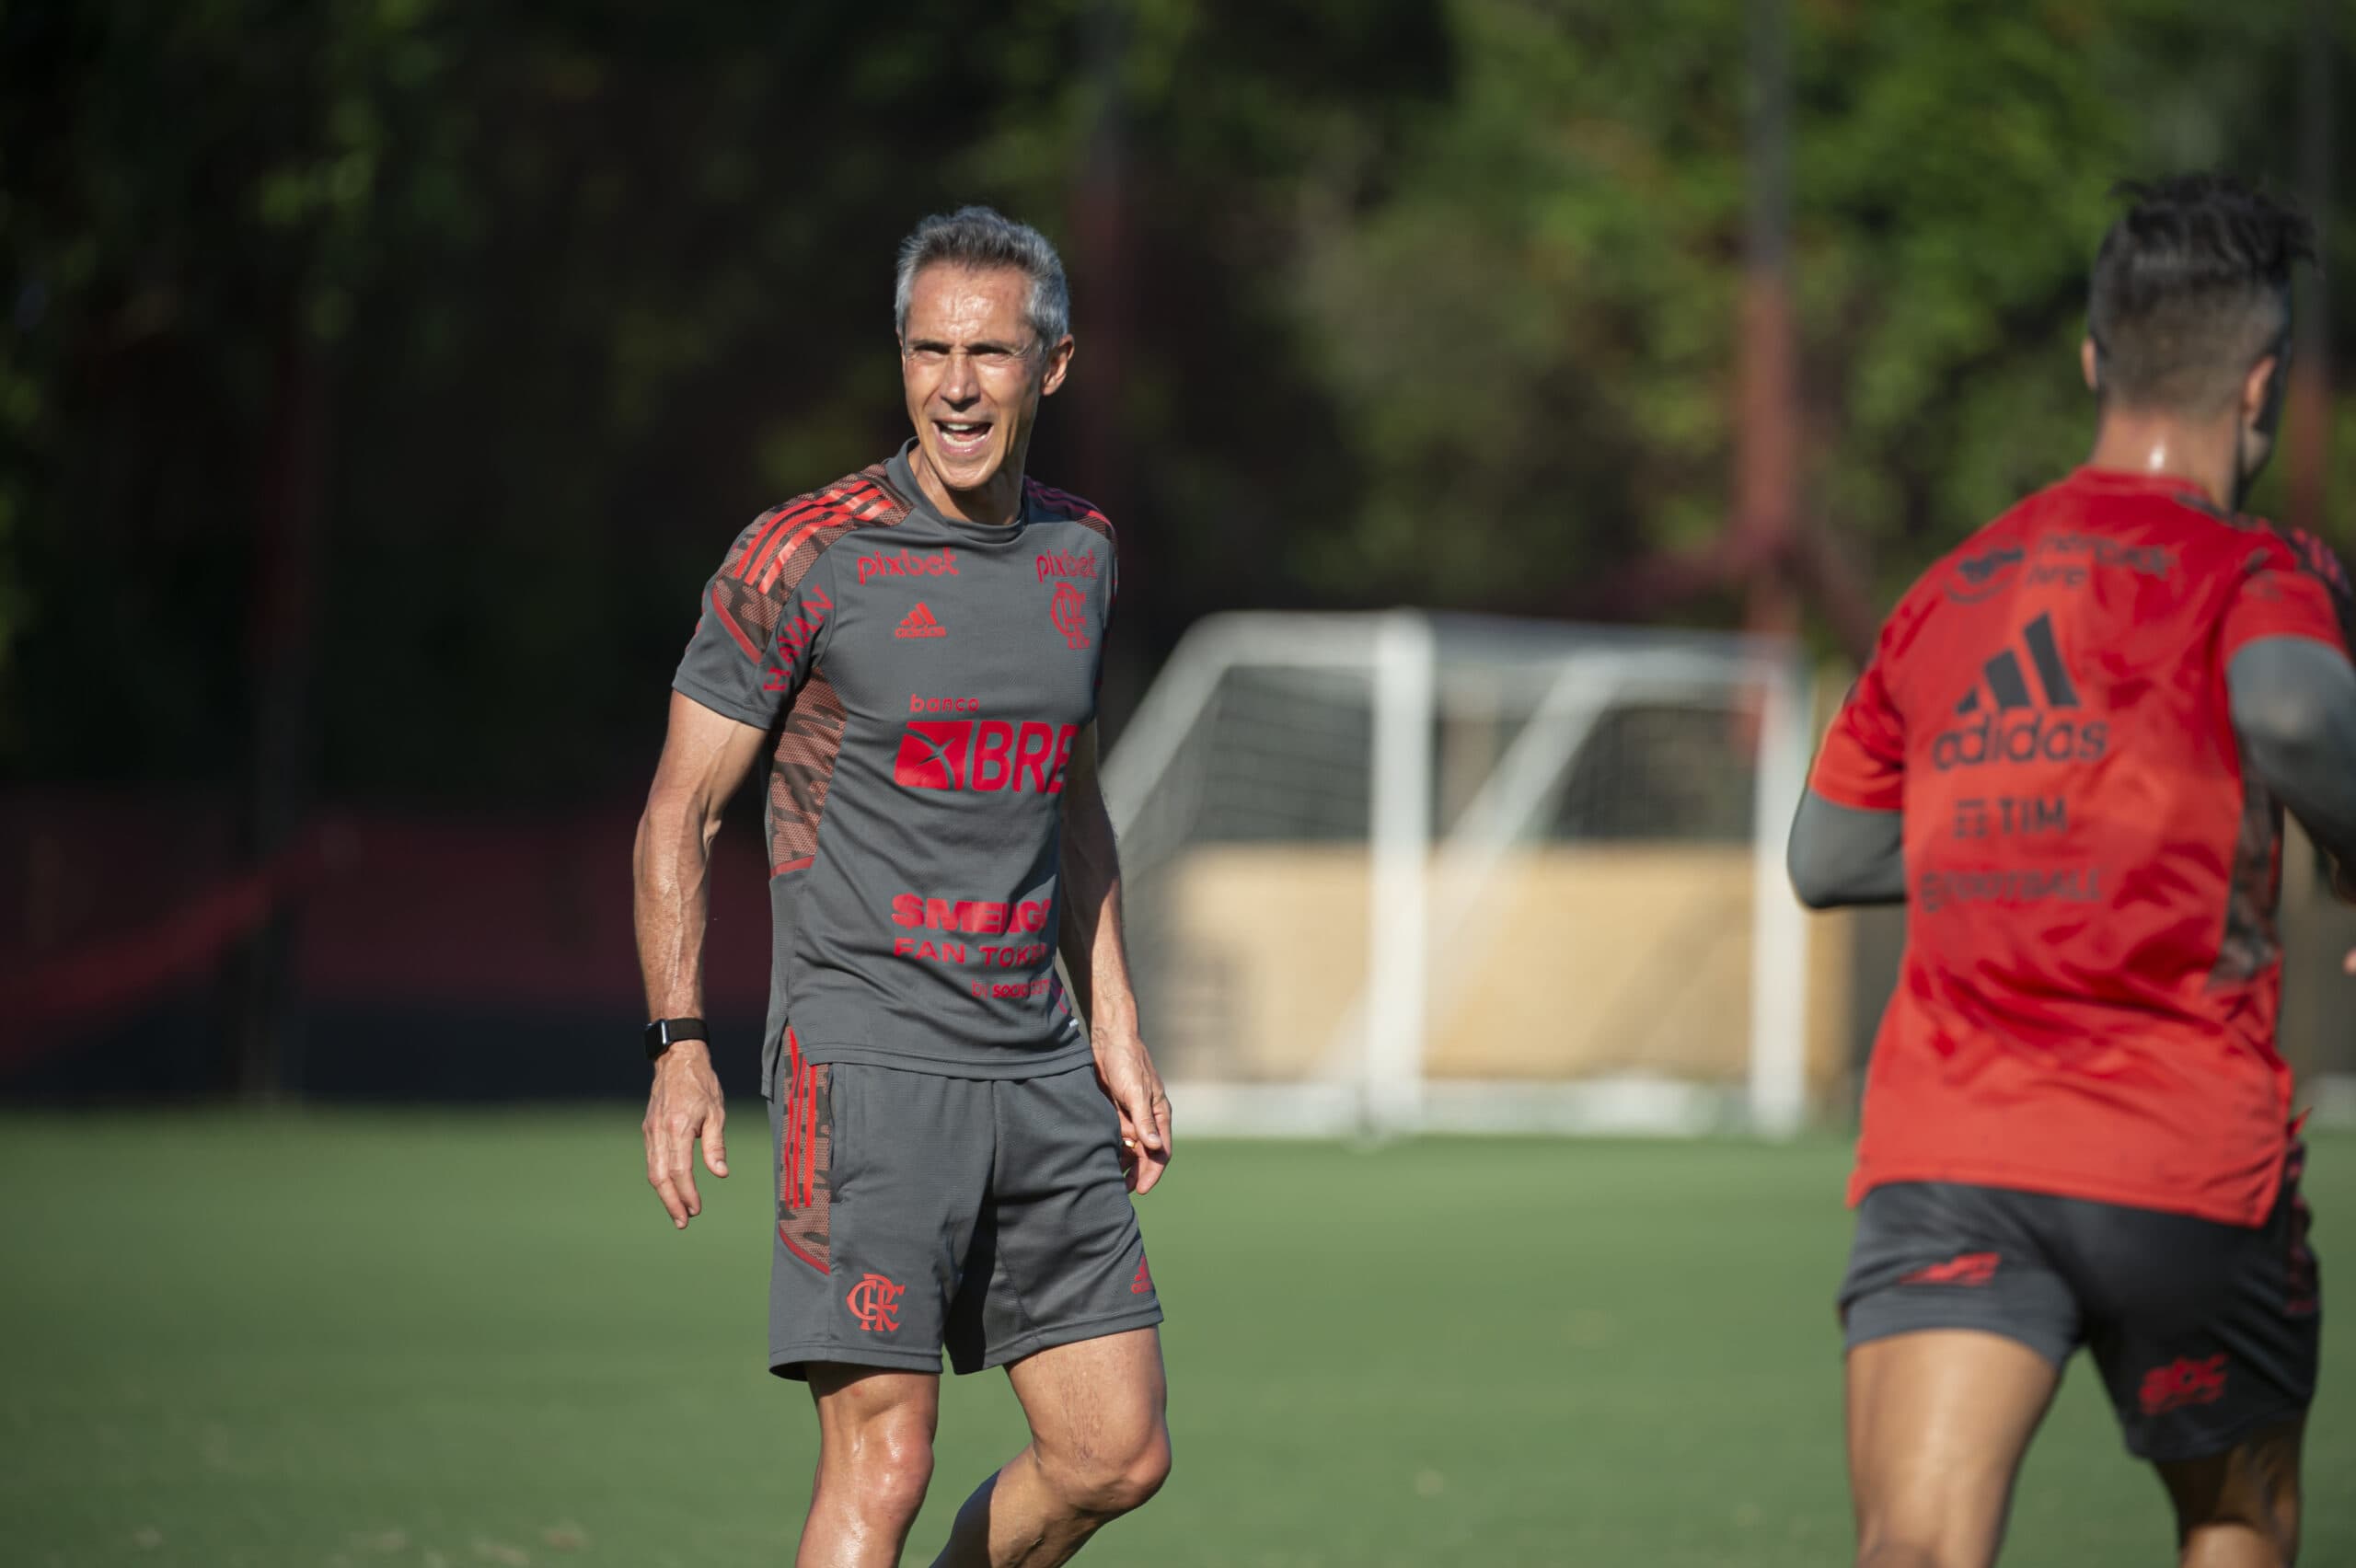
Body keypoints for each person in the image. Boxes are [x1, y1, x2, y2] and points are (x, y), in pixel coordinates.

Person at [1789, 174, 2356, 1568]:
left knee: (1917, 1549)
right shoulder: (2260, 569)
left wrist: (2021, 840)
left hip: (1953, 1153)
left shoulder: (1950, 589)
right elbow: (2293, 713)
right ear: (2262, 385)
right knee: (2235, 1525)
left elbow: (1828, 853)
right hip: (2182, 1157)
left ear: (2094, 359)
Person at [631, 206, 1172, 1568]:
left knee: (1115, 1453)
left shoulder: (1084, 553)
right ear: (899, 355)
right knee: (885, 1461)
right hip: (864, 1061)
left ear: (1050, 367)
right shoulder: (803, 555)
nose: (955, 385)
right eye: (929, 350)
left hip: (1038, 1067)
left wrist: (1112, 1018)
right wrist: (679, 1045)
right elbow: (680, 814)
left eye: (989, 354)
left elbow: (1074, 797)